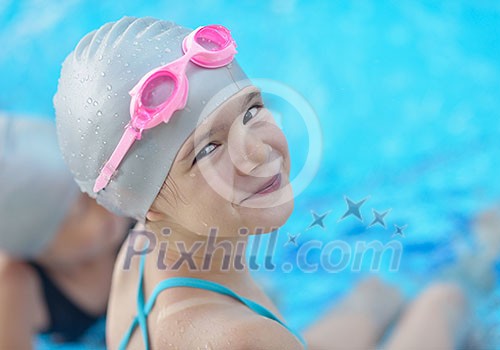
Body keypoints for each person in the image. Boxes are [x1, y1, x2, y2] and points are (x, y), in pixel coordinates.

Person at [54, 17, 471, 349]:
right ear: (148, 201)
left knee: (376, 292)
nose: (256, 152)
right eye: (206, 150)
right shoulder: (242, 338)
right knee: (446, 300)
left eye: (251, 111)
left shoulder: (139, 251)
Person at [0, 114, 132, 349]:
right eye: (81, 210)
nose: (102, 203)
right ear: (41, 247)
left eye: (98, 184)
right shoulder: (17, 284)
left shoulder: (131, 212)